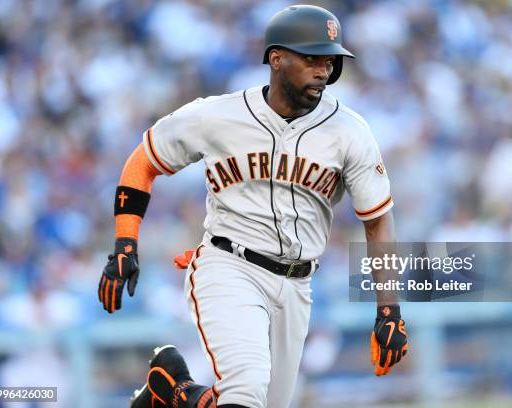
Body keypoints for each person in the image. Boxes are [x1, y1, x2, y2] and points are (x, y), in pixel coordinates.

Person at [97, 5, 409, 408]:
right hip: (230, 266)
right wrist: (125, 243)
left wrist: (389, 309)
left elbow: (377, 221)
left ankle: (171, 392)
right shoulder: (218, 115)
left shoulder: (351, 132)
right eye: (312, 58)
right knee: (245, 391)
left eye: (330, 60)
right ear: (277, 58)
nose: (323, 70)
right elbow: (143, 161)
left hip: (298, 284)